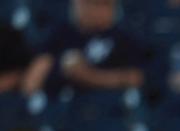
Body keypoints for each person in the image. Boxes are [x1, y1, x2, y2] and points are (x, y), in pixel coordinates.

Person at [22, 0, 151, 96]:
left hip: (109, 109)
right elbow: (32, 82)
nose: (98, 10)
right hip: (62, 109)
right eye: (90, 3)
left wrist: (88, 76)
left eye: (105, 4)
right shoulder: (62, 34)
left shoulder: (123, 38)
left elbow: (136, 78)